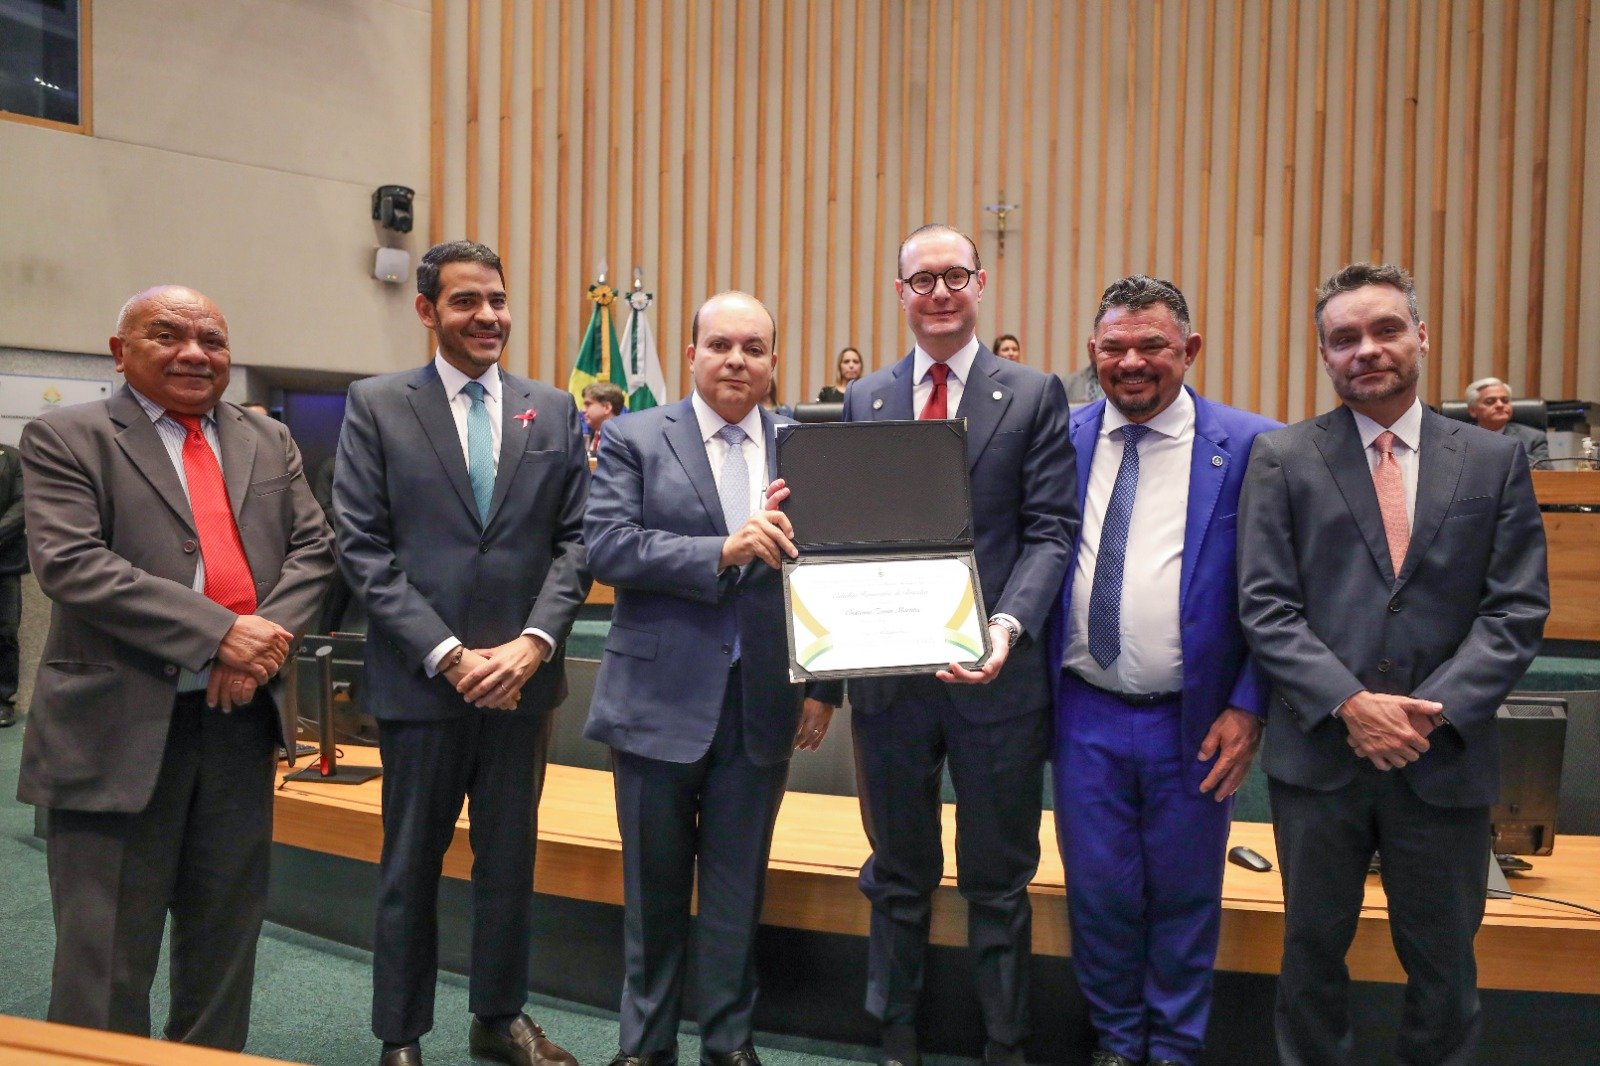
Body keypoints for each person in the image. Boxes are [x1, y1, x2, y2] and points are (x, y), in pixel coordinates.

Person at [1238, 263, 1549, 1066]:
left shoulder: (1492, 462)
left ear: (1421, 336)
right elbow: (1266, 608)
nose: (1366, 350)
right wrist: (1352, 704)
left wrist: (1426, 715)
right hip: (1321, 759)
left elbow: (1515, 610)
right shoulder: (1282, 458)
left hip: (1441, 757)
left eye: (1384, 330)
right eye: (1345, 339)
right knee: (1309, 961)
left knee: (1445, 970)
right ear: (1324, 354)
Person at [16, 285, 334, 1049]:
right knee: (105, 960)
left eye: (213, 340)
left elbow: (314, 551)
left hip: (237, 724)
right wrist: (218, 635)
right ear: (120, 351)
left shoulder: (269, 441)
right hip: (112, 731)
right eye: (169, 334)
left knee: (224, 942)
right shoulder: (66, 436)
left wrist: (257, 655)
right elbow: (70, 563)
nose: (196, 352)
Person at [334, 240, 591, 1066]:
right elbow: (362, 548)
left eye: (498, 300)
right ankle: (400, 1035)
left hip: (523, 684)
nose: (488, 316)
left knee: (509, 863)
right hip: (421, 683)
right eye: (466, 301)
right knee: (409, 867)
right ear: (427, 310)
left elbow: (578, 543)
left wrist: (532, 643)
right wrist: (446, 652)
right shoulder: (376, 405)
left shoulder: (551, 410)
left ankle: (498, 1019)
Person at [827, 224, 1077, 1066]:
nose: (940, 292)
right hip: (890, 682)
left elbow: (1051, 535)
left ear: (981, 283)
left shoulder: (1035, 394)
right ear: (899, 292)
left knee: (998, 879)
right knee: (896, 872)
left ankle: (1004, 1041)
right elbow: (856, 535)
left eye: (955, 276)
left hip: (997, 679)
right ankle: (894, 1037)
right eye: (922, 279)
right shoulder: (867, 399)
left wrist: (1005, 627)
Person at [584, 291, 840, 1066]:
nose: (737, 360)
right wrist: (720, 552)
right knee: (653, 897)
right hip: (657, 702)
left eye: (754, 348)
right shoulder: (632, 436)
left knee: (736, 893)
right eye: (720, 345)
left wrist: (827, 685)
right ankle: (645, 1046)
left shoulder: (803, 447)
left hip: (763, 702)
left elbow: (828, 571)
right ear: (692, 353)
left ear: (772, 362)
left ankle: (729, 1044)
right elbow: (607, 549)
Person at [1048, 276, 1279, 1066]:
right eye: (1114, 347)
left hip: (1200, 718)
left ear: (1191, 350)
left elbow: (1281, 592)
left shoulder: (1254, 446)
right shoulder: (1061, 437)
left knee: (1185, 895)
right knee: (1101, 892)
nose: (1133, 362)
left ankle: (1175, 1048)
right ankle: (1117, 1042)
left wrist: (1251, 705)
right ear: (1092, 353)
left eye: (1153, 345)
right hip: (1084, 711)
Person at [1465, 376, 1550, 465]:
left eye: (1505, 400)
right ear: (1473, 411)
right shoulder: (1457, 437)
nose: (1500, 405)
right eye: (1490, 401)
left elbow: (1546, 473)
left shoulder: (1533, 438)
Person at [0, 440, 23, 728]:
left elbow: (25, 503)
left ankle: (3, 700)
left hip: (3, 561)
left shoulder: (12, 457)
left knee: (5, 631)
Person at [582, 380, 627, 458]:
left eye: (588, 404)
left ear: (607, 407)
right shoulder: (590, 435)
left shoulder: (623, 440)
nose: (583, 410)